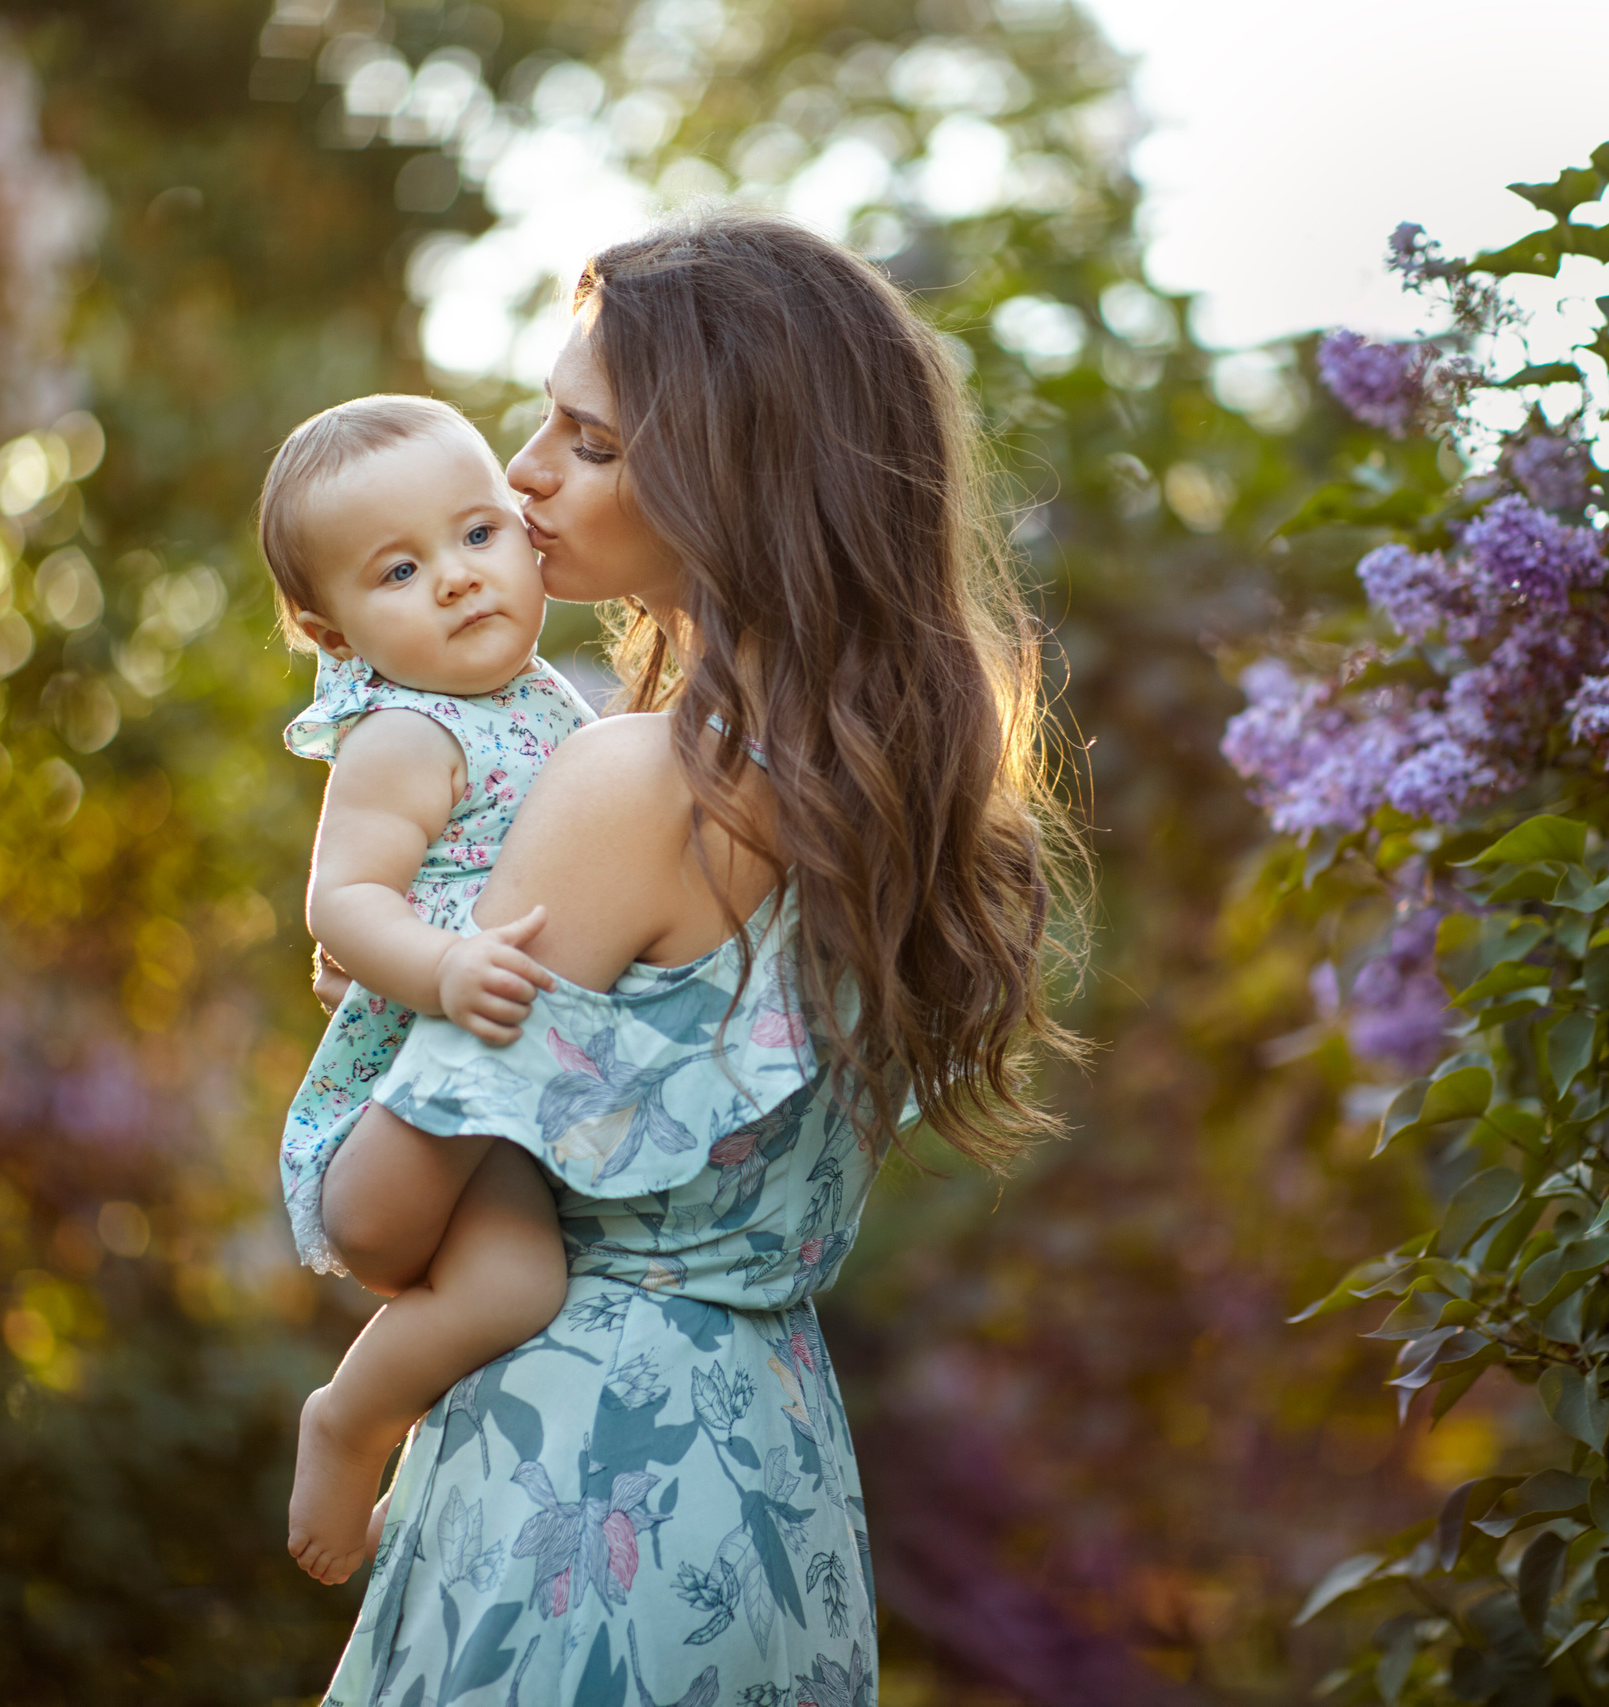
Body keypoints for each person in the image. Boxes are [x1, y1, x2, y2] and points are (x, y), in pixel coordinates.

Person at [311, 208, 1079, 1706]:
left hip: (588, 1480)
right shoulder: (893, 803)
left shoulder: (635, 782)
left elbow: (379, 1220)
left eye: (589, 442)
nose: (522, 473)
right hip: (773, 1479)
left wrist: (385, 1011)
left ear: (741, 485)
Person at [259, 395, 593, 1586]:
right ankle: (349, 1420)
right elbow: (342, 901)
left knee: (526, 1287)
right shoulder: (403, 732)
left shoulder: (546, 697)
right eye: (399, 571)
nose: (455, 578)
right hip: (420, 1086)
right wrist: (439, 966)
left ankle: (419, 1470)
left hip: (504, 1087)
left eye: (478, 534)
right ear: (332, 631)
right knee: (515, 1284)